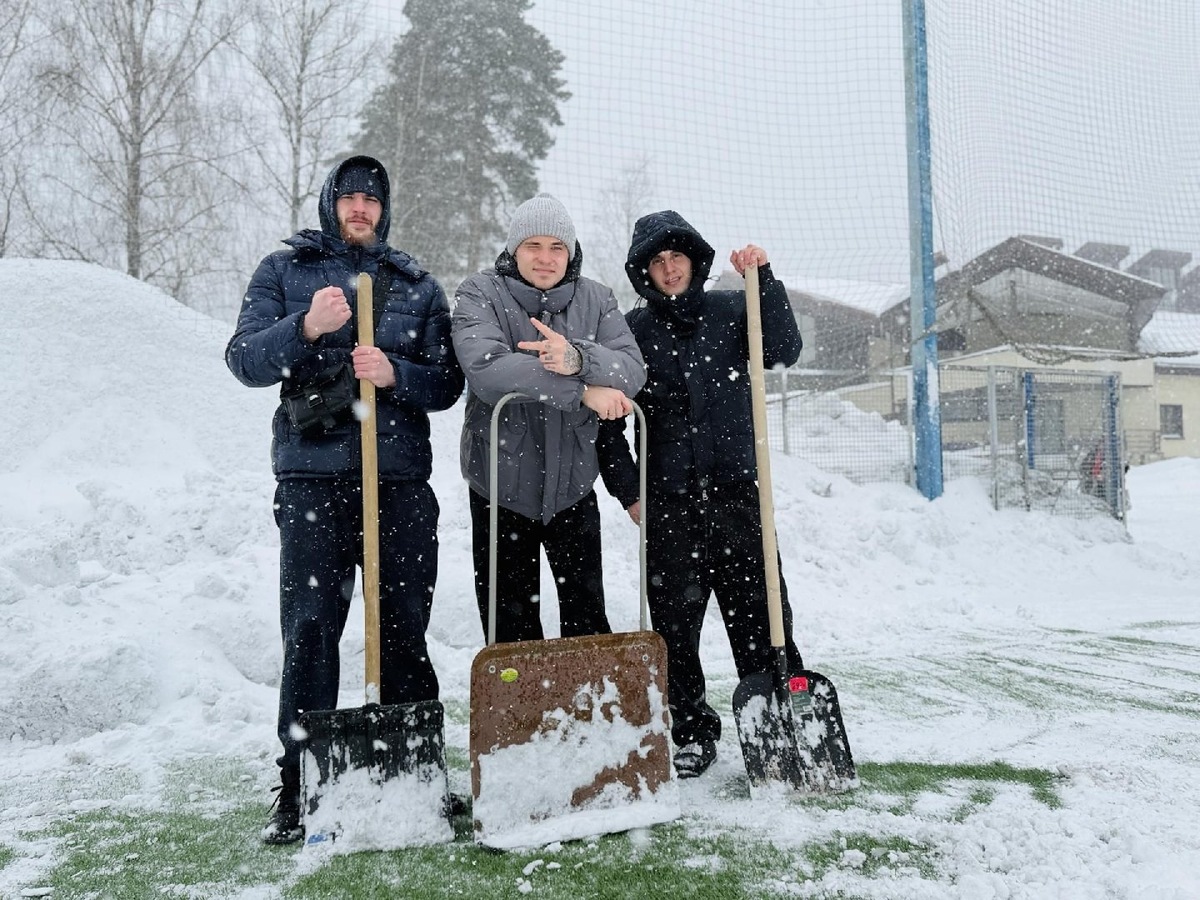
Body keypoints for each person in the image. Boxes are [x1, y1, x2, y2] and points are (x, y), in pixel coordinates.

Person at [226, 155, 464, 844]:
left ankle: (416, 770)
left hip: (397, 486)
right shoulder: (284, 272)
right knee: (309, 633)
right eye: (350, 197)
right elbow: (243, 360)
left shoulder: (417, 286)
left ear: (385, 209)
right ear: (332, 201)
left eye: (373, 199)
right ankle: (300, 784)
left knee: (403, 632)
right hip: (312, 483)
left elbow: (447, 383)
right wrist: (304, 326)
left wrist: (397, 373)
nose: (361, 208)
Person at [597, 209, 805, 779]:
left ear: (694, 260)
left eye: (677, 258)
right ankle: (688, 730)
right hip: (670, 505)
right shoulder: (631, 333)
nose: (669, 269)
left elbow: (784, 346)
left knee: (763, 617)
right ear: (645, 272)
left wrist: (763, 280)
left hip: (737, 497)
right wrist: (627, 491)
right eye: (657, 262)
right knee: (675, 629)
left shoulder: (731, 311)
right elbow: (607, 422)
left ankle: (778, 721)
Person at [451, 193, 646, 644]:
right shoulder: (480, 292)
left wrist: (577, 357)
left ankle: (591, 706)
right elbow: (487, 370)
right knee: (511, 629)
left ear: (571, 253)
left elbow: (631, 370)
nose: (545, 258)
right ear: (513, 249)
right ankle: (520, 710)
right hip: (500, 488)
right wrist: (583, 391)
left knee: (587, 619)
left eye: (557, 247)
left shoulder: (597, 299)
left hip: (573, 488)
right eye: (533, 246)